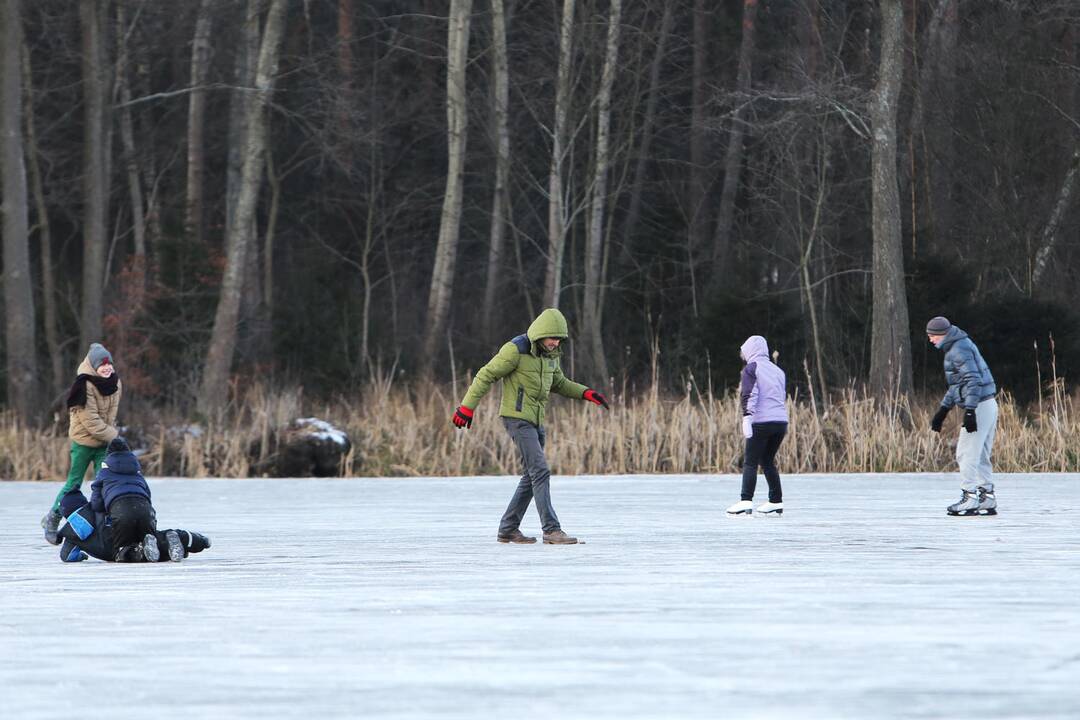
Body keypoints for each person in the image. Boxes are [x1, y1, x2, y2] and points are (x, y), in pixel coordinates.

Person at [451, 308, 609, 544]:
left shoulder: (550, 357)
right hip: (516, 419)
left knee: (531, 475)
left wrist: (585, 392)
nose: (555, 342)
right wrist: (466, 407)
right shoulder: (516, 350)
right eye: (552, 337)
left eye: (559, 339)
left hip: (536, 420)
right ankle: (552, 530)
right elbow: (486, 374)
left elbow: (560, 383)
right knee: (540, 470)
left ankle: (508, 528)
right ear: (540, 334)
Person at [56, 437, 211, 563]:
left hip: (120, 512)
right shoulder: (137, 473)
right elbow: (148, 496)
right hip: (144, 509)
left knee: (124, 552)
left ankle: (151, 547)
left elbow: (97, 503)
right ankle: (184, 539)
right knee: (151, 540)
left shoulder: (104, 474)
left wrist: (104, 510)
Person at [42, 343, 122, 545]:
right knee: (74, 483)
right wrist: (115, 436)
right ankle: (52, 518)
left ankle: (104, 524)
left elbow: (111, 414)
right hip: (83, 442)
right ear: (93, 366)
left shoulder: (115, 383)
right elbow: (91, 421)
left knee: (104, 482)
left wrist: (110, 437)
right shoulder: (84, 386)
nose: (107, 368)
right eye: (102, 365)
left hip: (103, 442)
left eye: (109, 364)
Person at [926, 316, 999, 516]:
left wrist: (969, 411)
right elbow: (958, 386)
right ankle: (987, 496)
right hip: (988, 403)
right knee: (981, 453)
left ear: (942, 334)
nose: (931, 340)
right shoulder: (959, 345)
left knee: (965, 452)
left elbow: (973, 380)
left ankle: (970, 497)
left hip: (979, 405)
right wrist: (943, 411)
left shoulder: (957, 350)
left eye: (932, 336)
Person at [727, 335, 788, 516]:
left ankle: (746, 499)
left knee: (751, 462)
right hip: (780, 422)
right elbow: (780, 395)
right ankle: (776, 501)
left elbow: (749, 393)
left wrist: (747, 416)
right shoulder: (778, 371)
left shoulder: (751, 368)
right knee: (767, 461)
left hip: (761, 422)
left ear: (750, 351)